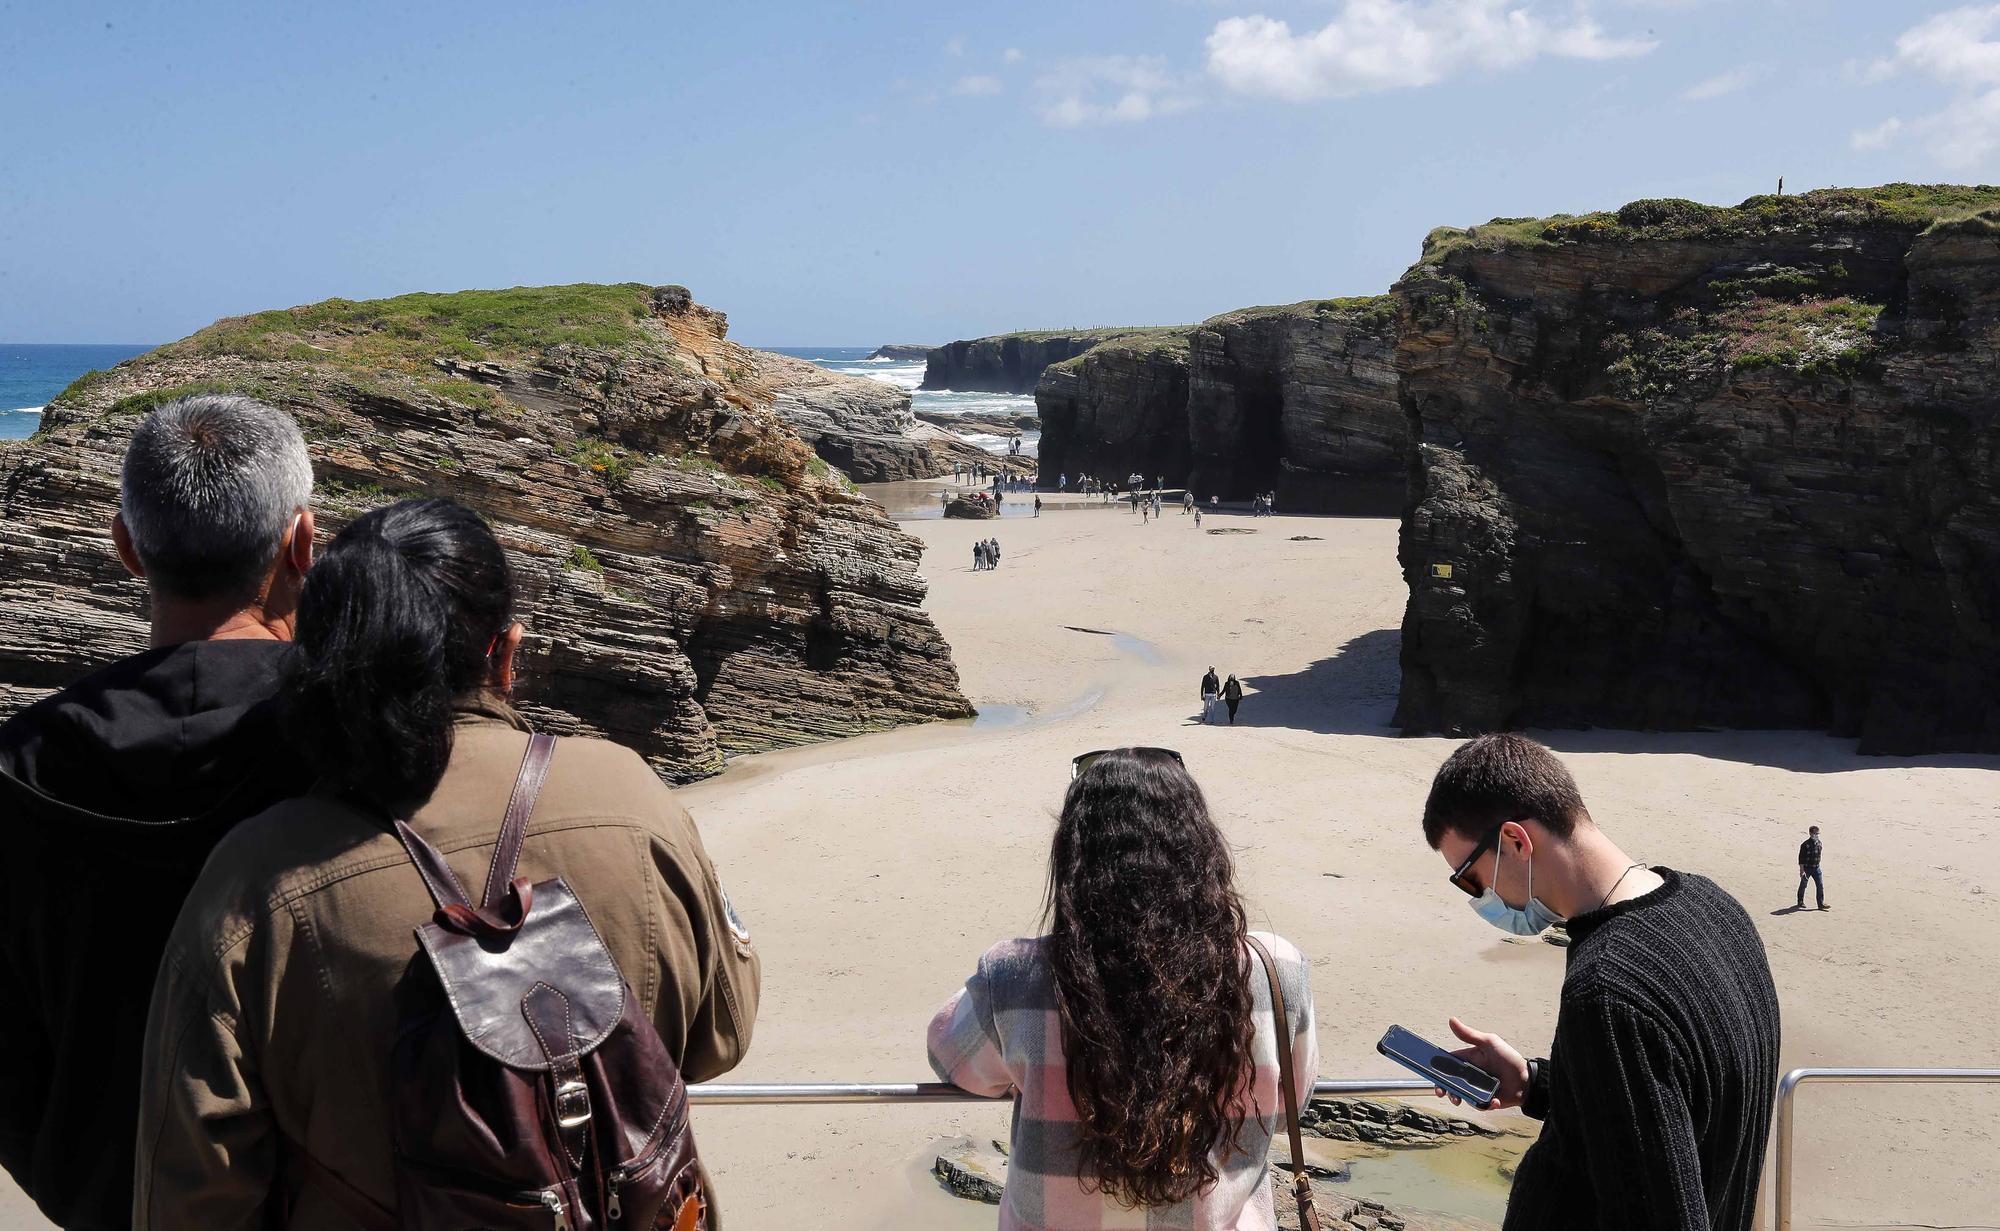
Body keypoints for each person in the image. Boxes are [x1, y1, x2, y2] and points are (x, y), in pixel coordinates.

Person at [134, 498, 760, 1228]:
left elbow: (188, 1194)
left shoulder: (255, 882)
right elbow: (723, 1034)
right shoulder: (634, 796)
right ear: (507, 652)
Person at [0, 394, 316, 1231]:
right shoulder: (359, 742)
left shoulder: (19, 764)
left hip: (110, 1199)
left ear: (127, 548)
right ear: (303, 543)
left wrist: (78, 1175)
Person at [928, 748, 1315, 1231]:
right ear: (1199, 851)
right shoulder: (1276, 968)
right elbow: (1289, 1104)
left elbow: (952, 1059)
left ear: (1076, 856)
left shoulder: (1016, 975)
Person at [1423, 734, 1780, 1231]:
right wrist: (1536, 1084)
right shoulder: (1716, 908)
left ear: (1515, 841)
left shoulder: (1607, 992)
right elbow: (1678, 1101)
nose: (1477, 897)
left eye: (1469, 877)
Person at [1797, 824, 1826, 910]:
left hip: (1816, 868)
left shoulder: (1819, 843)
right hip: (1807, 868)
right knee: (1803, 885)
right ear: (1810, 834)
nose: (1816, 835)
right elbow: (1801, 858)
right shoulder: (1805, 845)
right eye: (1814, 834)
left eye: (1817, 834)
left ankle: (1820, 904)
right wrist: (1802, 870)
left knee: (1820, 885)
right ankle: (1800, 901)